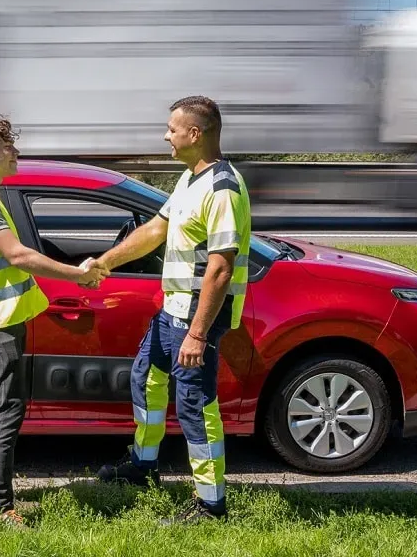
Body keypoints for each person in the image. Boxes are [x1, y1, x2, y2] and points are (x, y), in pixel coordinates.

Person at [0, 107, 109, 525]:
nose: (15, 151)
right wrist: (78, 275)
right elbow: (18, 255)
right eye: (7, 145)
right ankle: (0, 507)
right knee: (6, 408)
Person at [94, 95, 251, 525]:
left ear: (194, 134)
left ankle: (211, 504)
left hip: (197, 319)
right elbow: (154, 230)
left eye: (172, 128)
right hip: (172, 311)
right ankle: (145, 467)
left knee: (197, 407)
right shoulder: (190, 180)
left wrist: (198, 334)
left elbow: (220, 268)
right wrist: (106, 262)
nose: (167, 135)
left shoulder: (223, 188)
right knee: (146, 382)